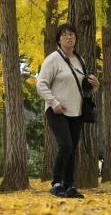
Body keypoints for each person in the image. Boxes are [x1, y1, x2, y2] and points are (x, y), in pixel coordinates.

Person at [36, 22, 100, 199]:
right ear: (58, 40)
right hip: (57, 110)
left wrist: (95, 86)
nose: (69, 37)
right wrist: (53, 102)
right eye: (64, 35)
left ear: (76, 38)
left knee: (73, 149)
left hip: (76, 110)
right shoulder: (52, 59)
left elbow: (83, 87)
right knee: (66, 145)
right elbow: (41, 84)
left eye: (72, 34)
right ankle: (56, 183)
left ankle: (69, 185)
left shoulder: (80, 60)